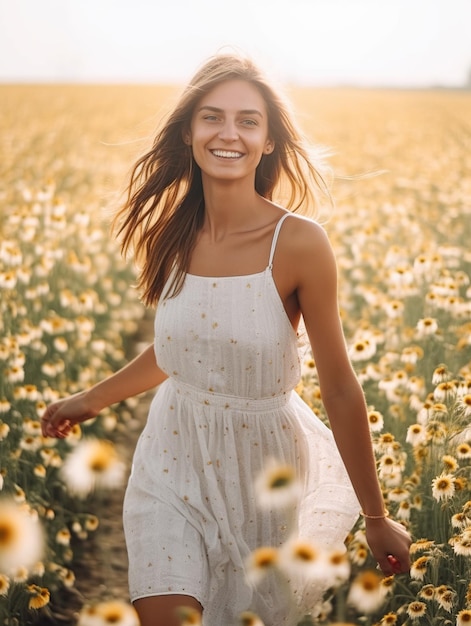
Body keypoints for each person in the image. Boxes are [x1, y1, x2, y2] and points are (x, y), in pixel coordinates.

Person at [41, 53, 411, 626]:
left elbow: (338, 385)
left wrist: (375, 513)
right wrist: (89, 401)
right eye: (212, 117)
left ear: (268, 141)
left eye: (248, 120)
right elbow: (179, 351)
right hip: (173, 451)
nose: (228, 133)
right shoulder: (173, 235)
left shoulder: (300, 244)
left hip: (263, 470)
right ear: (188, 132)